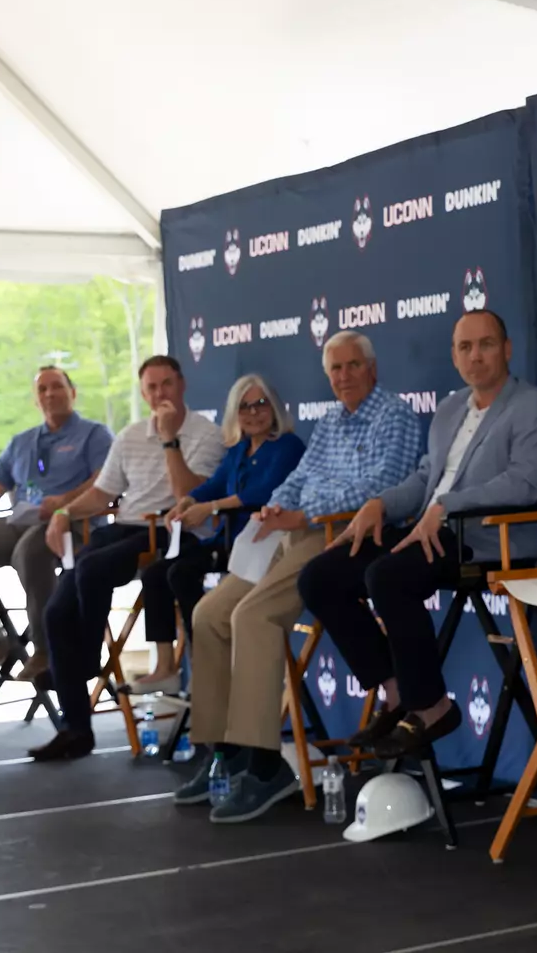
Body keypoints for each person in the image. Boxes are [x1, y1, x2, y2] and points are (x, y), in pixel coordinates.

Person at [173, 331, 423, 823]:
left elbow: (382, 486)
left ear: (372, 369)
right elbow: (298, 478)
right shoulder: (329, 422)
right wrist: (277, 506)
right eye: (336, 369)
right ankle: (223, 752)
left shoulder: (395, 415)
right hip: (292, 527)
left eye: (353, 366)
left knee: (254, 616)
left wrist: (302, 513)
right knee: (208, 615)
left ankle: (265, 765)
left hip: (340, 534)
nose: (344, 377)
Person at [301, 309, 537, 759]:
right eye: (464, 347)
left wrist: (447, 507)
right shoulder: (450, 408)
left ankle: (434, 706)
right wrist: (378, 504)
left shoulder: (534, 406)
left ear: (507, 349)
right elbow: (425, 479)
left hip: (483, 538)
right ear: (454, 357)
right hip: (429, 529)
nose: (475, 356)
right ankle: (395, 690)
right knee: (319, 577)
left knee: (386, 576)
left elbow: (526, 483)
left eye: (485, 345)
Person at [28, 355, 225, 761]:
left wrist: (171, 439)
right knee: (56, 610)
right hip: (127, 524)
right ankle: (76, 729)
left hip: (174, 532)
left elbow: (192, 493)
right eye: (151, 388)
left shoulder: (207, 434)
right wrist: (65, 514)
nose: (159, 395)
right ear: (142, 392)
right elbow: (103, 493)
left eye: (166, 385)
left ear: (182, 385)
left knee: (93, 567)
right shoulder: (132, 434)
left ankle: (86, 660)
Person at [125, 374, 306, 695]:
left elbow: (264, 492)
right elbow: (213, 484)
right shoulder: (238, 449)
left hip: (262, 542)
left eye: (260, 404)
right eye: (244, 407)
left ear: (274, 407)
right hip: (226, 541)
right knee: (155, 573)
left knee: (182, 572)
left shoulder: (287, 446)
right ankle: (166, 666)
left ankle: (209, 665)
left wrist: (210, 508)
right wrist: (189, 500)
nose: (253, 413)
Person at [0, 367, 114, 684]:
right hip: (22, 519)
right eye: (42, 389)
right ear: (36, 400)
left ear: (72, 393)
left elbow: (104, 480)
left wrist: (64, 501)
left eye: (57, 387)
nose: (49, 394)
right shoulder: (22, 442)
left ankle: (46, 651)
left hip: (73, 524)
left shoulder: (94, 434)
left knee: (30, 551)